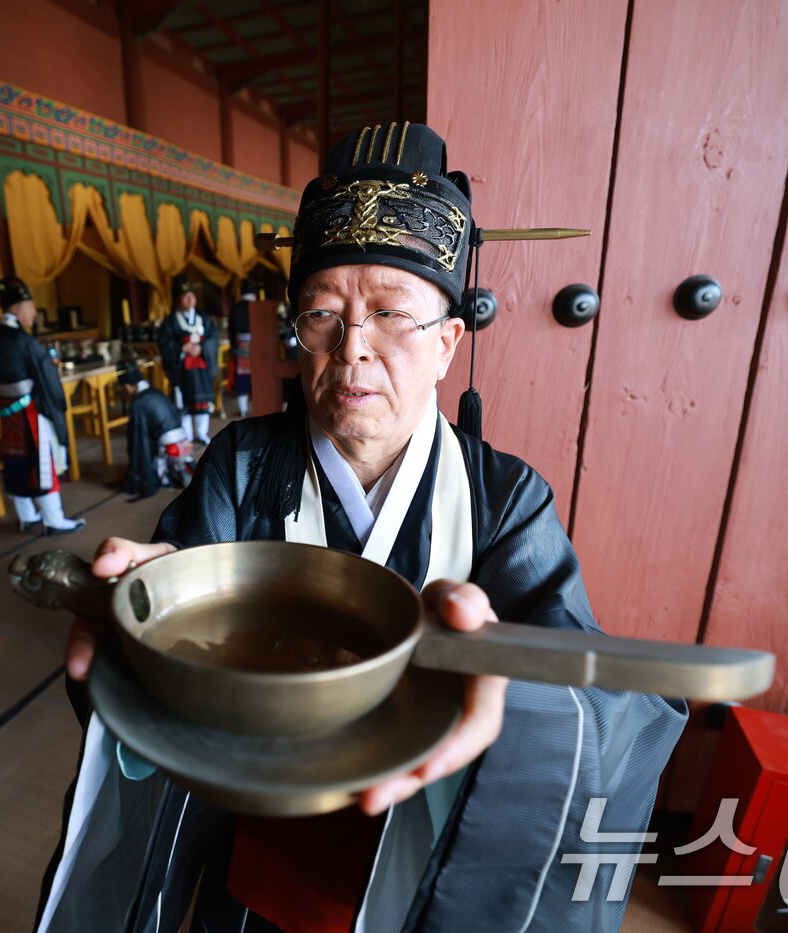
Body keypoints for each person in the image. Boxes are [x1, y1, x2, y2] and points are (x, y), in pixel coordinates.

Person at [37, 123, 687, 932]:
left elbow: (596, 699)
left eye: (390, 313)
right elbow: (178, 615)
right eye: (322, 315)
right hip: (249, 862)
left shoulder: (503, 496)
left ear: (448, 344)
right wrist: (150, 601)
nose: (352, 350)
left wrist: (508, 688)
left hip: (412, 874)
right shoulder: (243, 462)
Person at [0, 276, 86, 535]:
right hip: (30, 411)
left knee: (15, 459)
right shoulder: (23, 340)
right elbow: (45, 377)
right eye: (31, 307)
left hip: (7, 409)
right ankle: (54, 520)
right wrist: (56, 401)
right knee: (42, 461)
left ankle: (27, 515)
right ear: (17, 308)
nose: (34, 313)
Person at [157, 275, 220, 444]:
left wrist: (202, 347)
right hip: (182, 371)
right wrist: (181, 348)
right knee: (183, 403)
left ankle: (201, 433)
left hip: (201, 369)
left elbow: (213, 338)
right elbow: (164, 343)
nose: (190, 298)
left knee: (202, 402)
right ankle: (187, 435)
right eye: (185, 296)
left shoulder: (204, 318)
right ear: (178, 299)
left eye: (192, 295)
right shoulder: (169, 322)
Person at [118, 362, 194, 501]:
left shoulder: (139, 402)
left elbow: (139, 440)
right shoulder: (155, 391)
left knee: (143, 448)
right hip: (181, 437)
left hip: (166, 446)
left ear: (128, 386)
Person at [228, 277, 258, 419]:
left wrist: (233, 346)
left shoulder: (235, 307)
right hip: (258, 346)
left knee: (242, 377)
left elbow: (231, 330)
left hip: (240, 346)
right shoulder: (258, 307)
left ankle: (243, 410)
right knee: (259, 376)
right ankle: (258, 408)